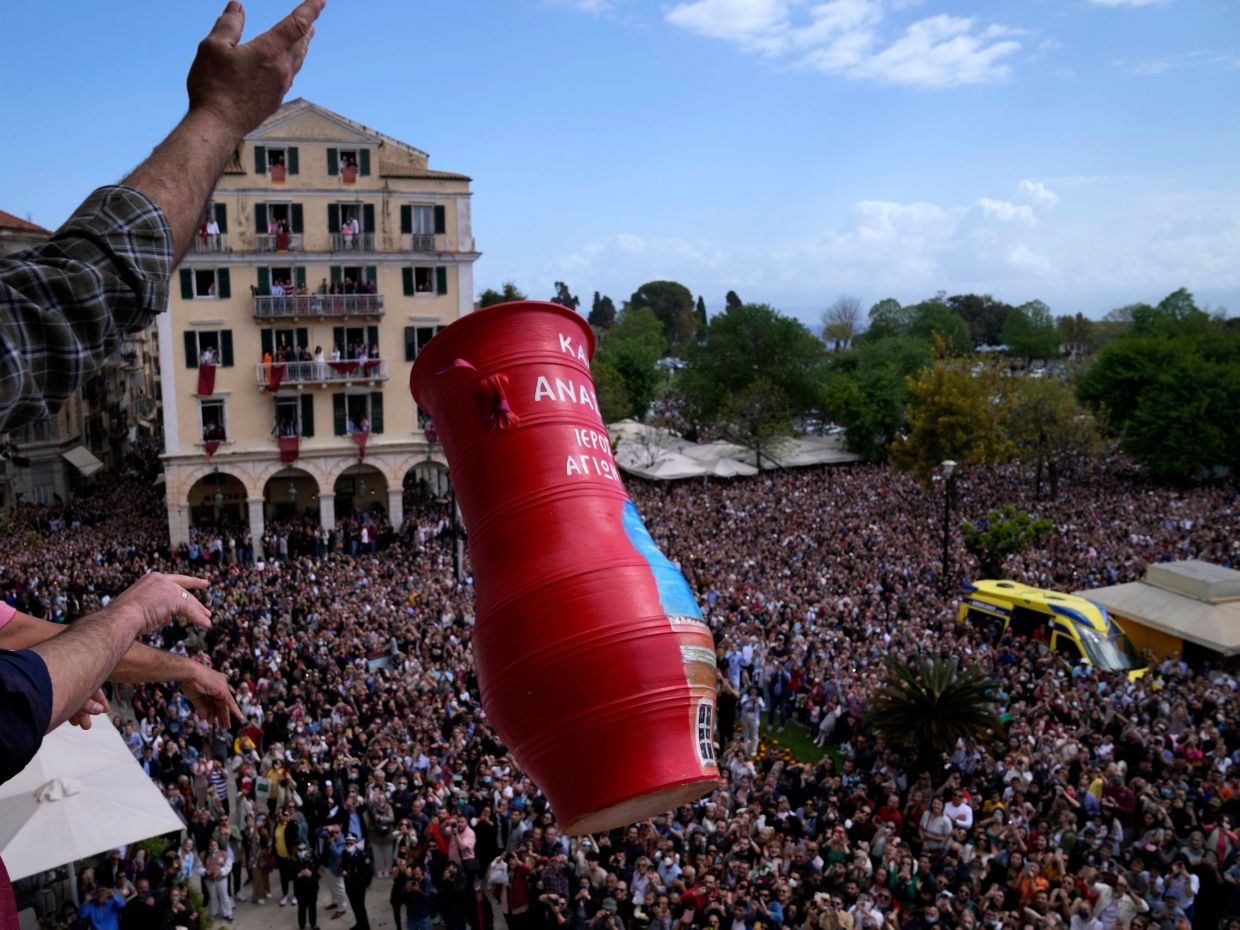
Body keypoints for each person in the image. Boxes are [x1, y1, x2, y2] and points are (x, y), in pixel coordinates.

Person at [341, 833, 373, 930]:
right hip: (349, 885)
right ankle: (359, 924)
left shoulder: (362, 855)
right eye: (347, 843)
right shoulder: (345, 853)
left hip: (359, 886)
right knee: (354, 907)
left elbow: (369, 872)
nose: (349, 845)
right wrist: (342, 871)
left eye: (351, 843)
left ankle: (365, 927)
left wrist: (365, 884)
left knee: (360, 908)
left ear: (355, 843)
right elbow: (342, 865)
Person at [293, 842, 321, 930]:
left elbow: (317, 870)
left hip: (312, 886)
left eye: (304, 849)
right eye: (300, 850)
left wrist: (311, 873)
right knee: (302, 907)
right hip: (300, 888)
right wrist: (300, 874)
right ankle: (302, 925)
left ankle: (313, 923)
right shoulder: (293, 859)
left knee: (312, 906)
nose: (302, 851)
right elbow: (290, 875)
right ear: (296, 850)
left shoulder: (313, 857)